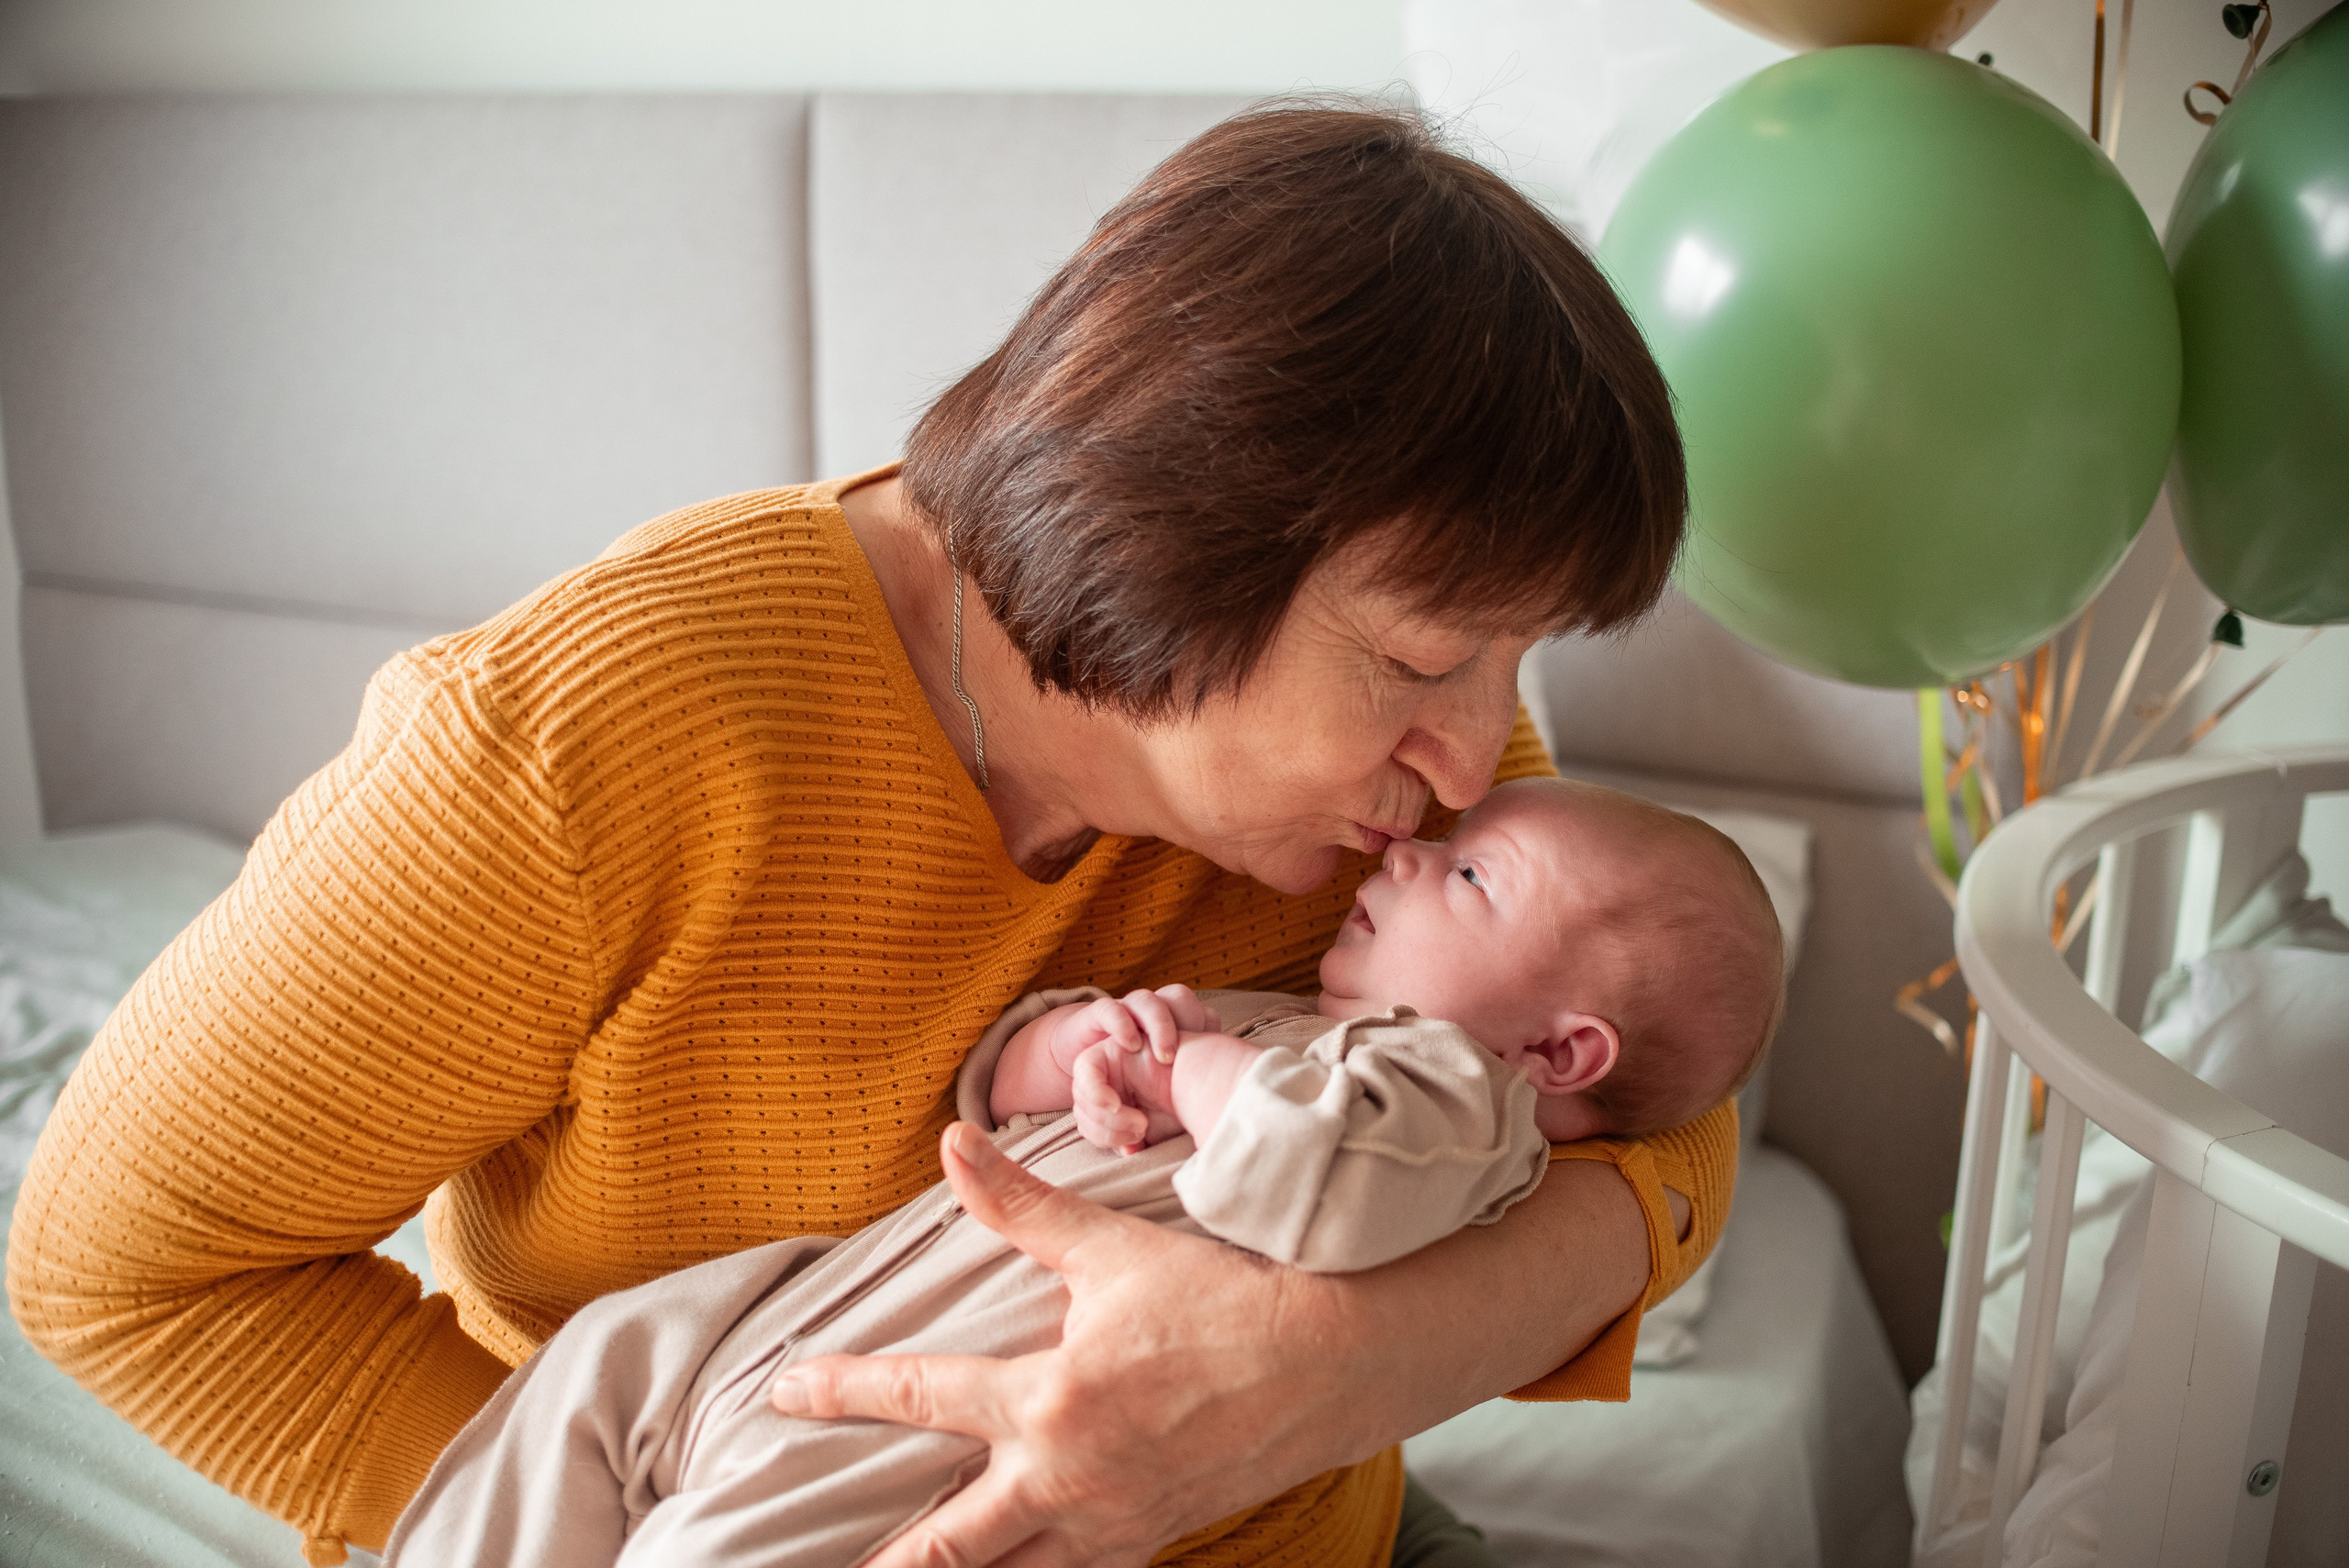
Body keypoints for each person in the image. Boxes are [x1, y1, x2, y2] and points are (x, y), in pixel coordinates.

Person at [8, 100, 1735, 1568]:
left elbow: (1665, 1101)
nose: (1474, 756)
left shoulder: (1405, 787)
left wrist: (1329, 1371)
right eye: (1432, 659)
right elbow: (122, 1266)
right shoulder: (585, 744)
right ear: (1182, 526)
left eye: (1505, 664)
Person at [383, 778, 1782, 1568]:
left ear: (1562, 1048)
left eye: (1472, 879)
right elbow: (995, 1100)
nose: (1417, 845)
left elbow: (1319, 1179)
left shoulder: (1460, 1102)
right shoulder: (1307, 1018)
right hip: (799, 1310)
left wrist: (1190, 1068)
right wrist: (1066, 1050)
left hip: (914, 1424)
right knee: (584, 1377)